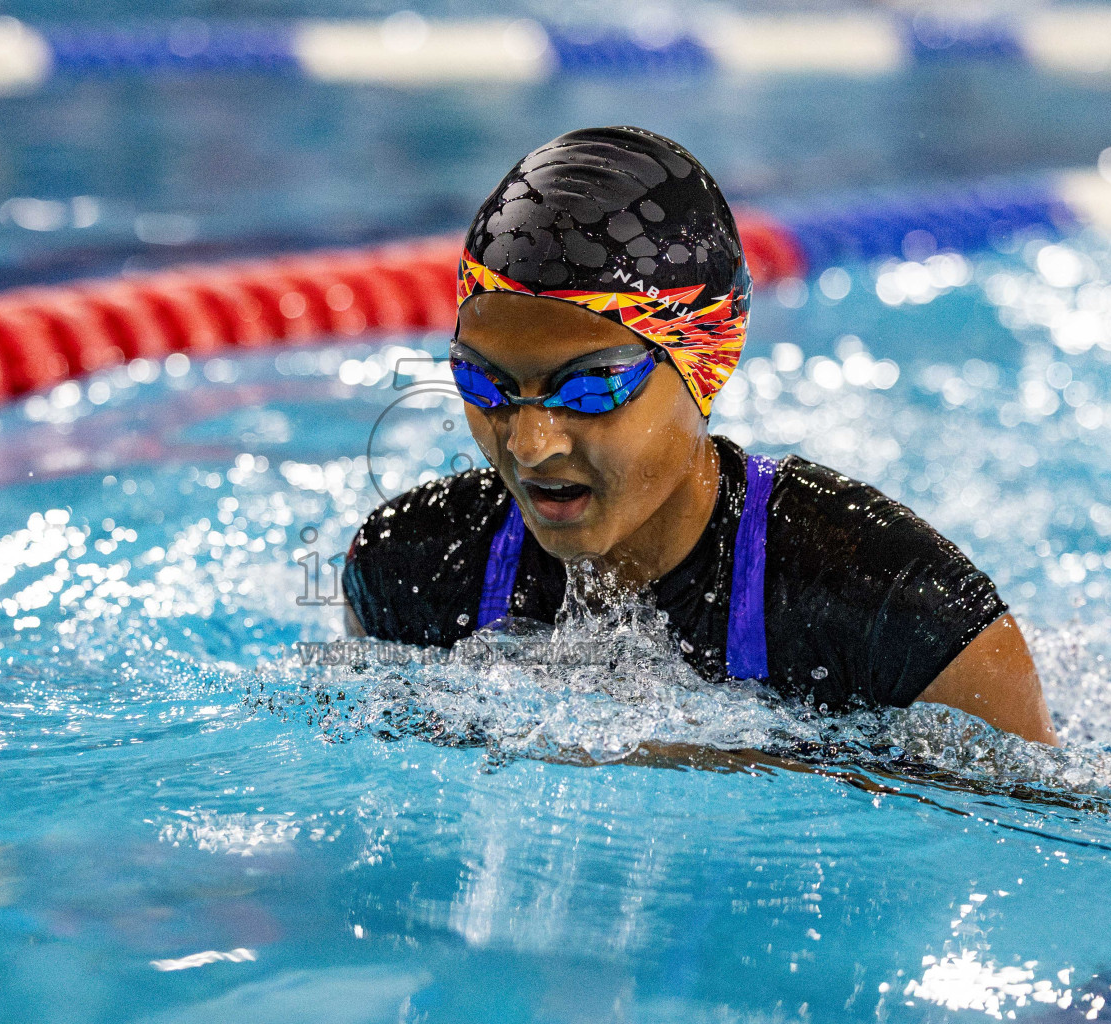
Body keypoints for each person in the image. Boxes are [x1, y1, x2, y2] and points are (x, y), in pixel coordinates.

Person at [341, 125, 1057, 746]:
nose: (530, 445)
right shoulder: (410, 571)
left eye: (591, 389)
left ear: (704, 365)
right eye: (484, 386)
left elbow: (1050, 852)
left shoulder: (902, 611)